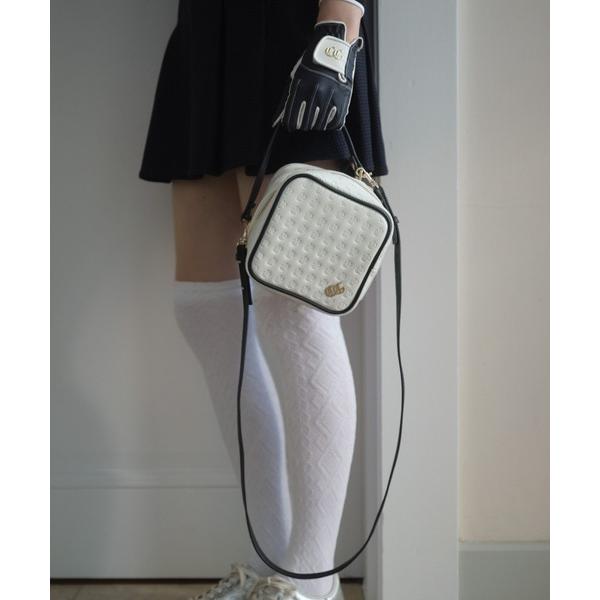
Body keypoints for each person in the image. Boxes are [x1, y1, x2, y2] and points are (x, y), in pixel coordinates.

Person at [139, 1, 388, 599]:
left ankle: (311, 578)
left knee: (293, 308)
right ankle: (272, 564)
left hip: (294, 31)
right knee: (204, 309)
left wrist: (337, 29)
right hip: (207, 33)